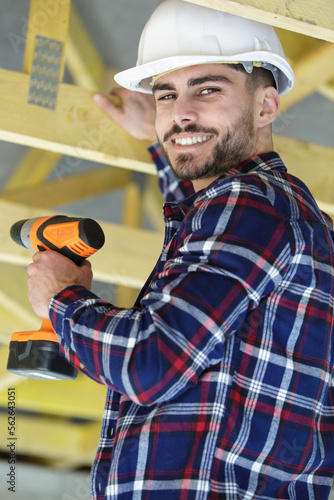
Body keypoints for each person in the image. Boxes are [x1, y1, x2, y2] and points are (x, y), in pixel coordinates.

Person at [27, 1, 334, 498]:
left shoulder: (253, 205)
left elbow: (150, 362)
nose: (181, 113)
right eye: (167, 95)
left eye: (207, 89)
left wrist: (60, 300)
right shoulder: (277, 214)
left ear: (266, 106)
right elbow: (203, 229)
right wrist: (162, 139)